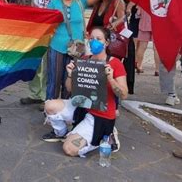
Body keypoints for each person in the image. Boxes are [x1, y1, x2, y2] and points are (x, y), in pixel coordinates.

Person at [42, 26, 128, 157]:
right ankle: (61, 133)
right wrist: (71, 75)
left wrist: (110, 79)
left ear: (106, 43)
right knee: (49, 106)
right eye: (91, 38)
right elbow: (69, 89)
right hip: (82, 107)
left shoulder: (115, 64)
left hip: (101, 115)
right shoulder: (84, 60)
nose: (94, 41)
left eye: (98, 39)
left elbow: (124, 94)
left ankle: (105, 137)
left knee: (70, 149)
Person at [46, 0, 103, 101]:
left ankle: (67, 110)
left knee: (71, 80)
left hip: (77, 48)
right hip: (56, 46)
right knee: (54, 80)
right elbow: (46, 22)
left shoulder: (81, 1)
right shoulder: (54, 3)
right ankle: (51, 110)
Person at [20, 0, 66, 109]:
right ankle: (35, 94)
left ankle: (48, 97)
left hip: (55, 34)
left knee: (50, 66)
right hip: (38, 33)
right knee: (36, 63)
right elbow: (35, 6)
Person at [135, 7, 160, 76]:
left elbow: (138, 14)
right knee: (156, 48)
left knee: (142, 47)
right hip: (157, 25)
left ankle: (139, 66)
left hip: (144, 25)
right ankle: (157, 69)